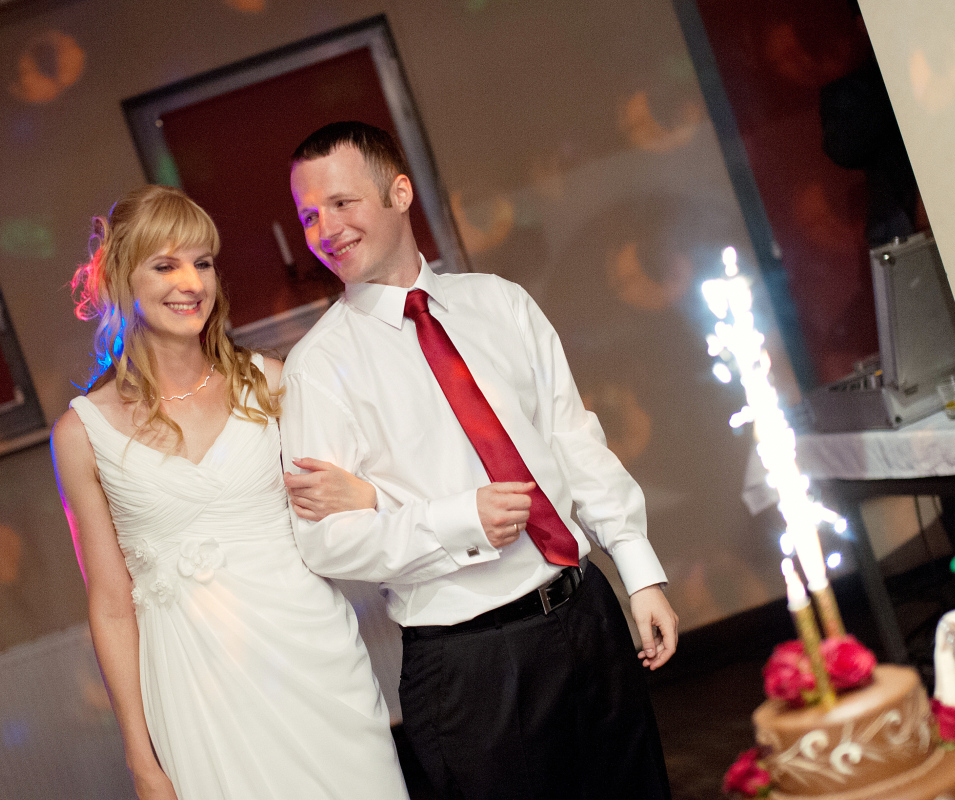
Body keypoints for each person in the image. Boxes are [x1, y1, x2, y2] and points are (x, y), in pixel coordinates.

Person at [281, 121, 677, 800]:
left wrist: (638, 572)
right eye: (310, 216)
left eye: (342, 203)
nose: (327, 230)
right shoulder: (318, 368)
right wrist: (456, 521)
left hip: (586, 616)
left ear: (399, 193)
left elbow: (572, 441)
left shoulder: (500, 302)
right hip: (471, 665)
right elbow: (326, 542)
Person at [50, 185, 410, 800]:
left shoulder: (271, 384)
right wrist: (141, 758)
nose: (191, 282)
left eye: (203, 262)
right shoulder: (82, 434)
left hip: (314, 664)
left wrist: (366, 495)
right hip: (195, 692)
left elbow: (358, 493)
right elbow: (110, 605)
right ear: (120, 278)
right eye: (165, 265)